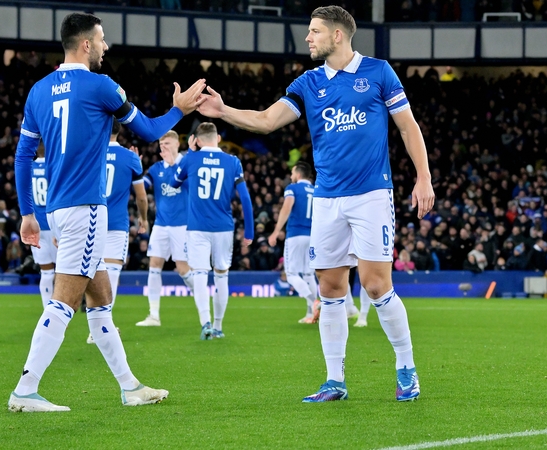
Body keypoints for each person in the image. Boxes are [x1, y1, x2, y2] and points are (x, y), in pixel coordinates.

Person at [197, 6, 433, 402]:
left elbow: (408, 127)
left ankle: (406, 369)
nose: (308, 38)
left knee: (376, 285)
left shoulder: (378, 73)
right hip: (326, 199)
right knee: (330, 287)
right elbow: (267, 120)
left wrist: (423, 177)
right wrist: (223, 111)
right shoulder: (308, 82)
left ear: (337, 35)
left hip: (372, 195)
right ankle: (334, 380)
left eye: (315, 31)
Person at [9, 12, 205, 412]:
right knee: (65, 302)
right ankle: (25, 390)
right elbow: (149, 131)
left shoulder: (39, 91)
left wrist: (28, 213)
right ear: (86, 44)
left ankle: (130, 387)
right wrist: (179, 110)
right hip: (86, 209)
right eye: (101, 40)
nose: (105, 46)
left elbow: (23, 155)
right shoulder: (102, 86)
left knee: (100, 300)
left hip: (58, 209)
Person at [169, 122, 254, 339]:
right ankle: (218, 326)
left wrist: (190, 153)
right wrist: (249, 232)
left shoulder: (191, 158)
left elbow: (173, 183)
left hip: (198, 227)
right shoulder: (233, 161)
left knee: (199, 273)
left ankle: (205, 323)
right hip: (223, 227)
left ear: (197, 140)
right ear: (218, 138)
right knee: (221, 276)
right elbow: (245, 198)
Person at [88, 122, 147, 344]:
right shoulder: (130, 158)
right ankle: (102, 328)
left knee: (91, 272)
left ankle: (96, 328)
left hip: (91, 220)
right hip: (115, 224)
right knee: (111, 274)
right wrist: (143, 218)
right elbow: (141, 197)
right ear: (119, 131)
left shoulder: (90, 151)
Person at [136, 130, 194, 327]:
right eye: (161, 145)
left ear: (177, 144)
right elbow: (141, 186)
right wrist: (136, 171)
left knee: (183, 269)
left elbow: (190, 186)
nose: (164, 147)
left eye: (167, 143)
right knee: (154, 265)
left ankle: (202, 298)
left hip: (182, 225)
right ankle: (154, 315)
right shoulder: (156, 168)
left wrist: (175, 166)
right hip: (161, 224)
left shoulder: (187, 164)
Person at [268, 161, 323, 324]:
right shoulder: (317, 190)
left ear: (298, 174)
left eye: (292, 173)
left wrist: (276, 231)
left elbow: (286, 207)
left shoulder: (292, 188)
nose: (291, 176)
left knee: (291, 274)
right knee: (308, 274)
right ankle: (310, 313)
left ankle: (314, 301)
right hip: (312, 235)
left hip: (296, 234)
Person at [30, 142, 58, 309]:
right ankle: (61, 308)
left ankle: (47, 309)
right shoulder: (54, 167)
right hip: (54, 224)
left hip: (36, 225)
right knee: (62, 271)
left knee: (46, 272)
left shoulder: (29, 168)